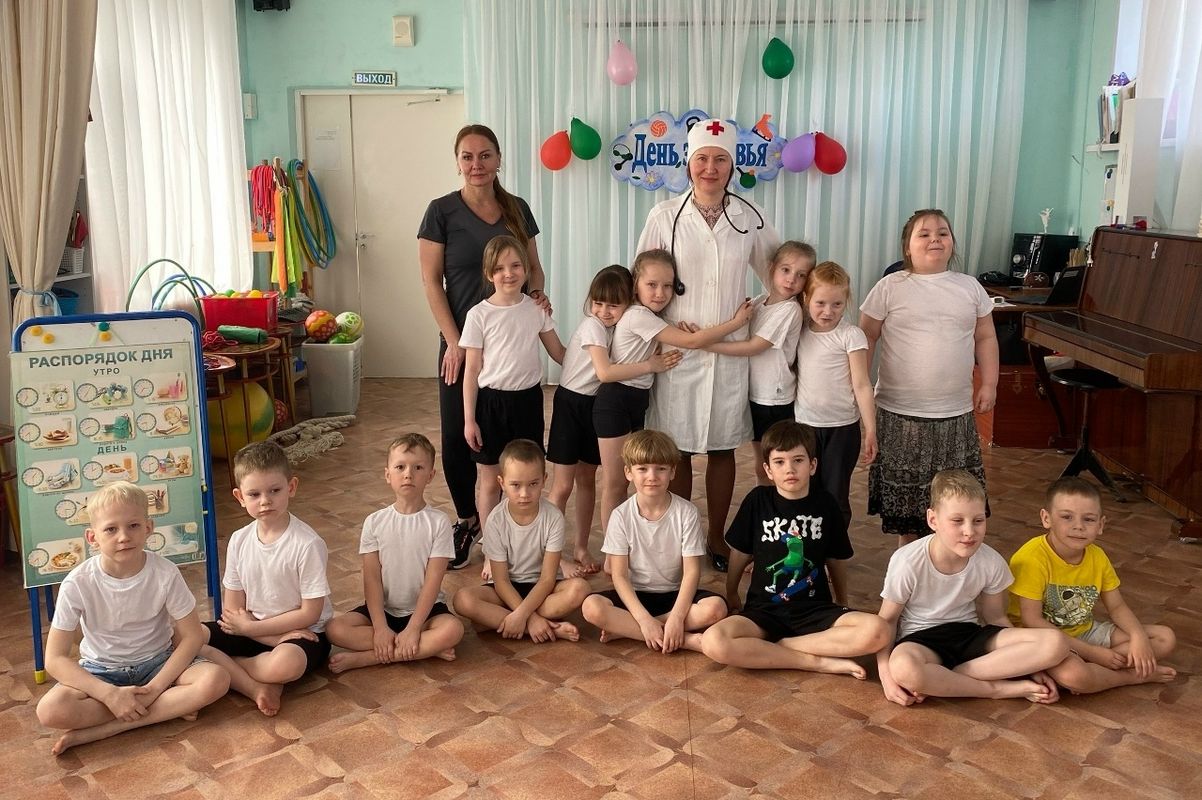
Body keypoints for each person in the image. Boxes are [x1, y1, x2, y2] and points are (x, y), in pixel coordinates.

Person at [636, 118, 781, 571]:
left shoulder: (750, 217)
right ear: (688, 163)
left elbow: (778, 276)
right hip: (676, 349)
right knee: (676, 448)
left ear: (732, 165)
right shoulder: (663, 215)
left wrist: (772, 321)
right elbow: (642, 281)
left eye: (720, 159)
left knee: (721, 447)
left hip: (729, 350)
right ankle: (681, 539)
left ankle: (716, 537)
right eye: (702, 158)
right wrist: (653, 331)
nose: (710, 168)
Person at [418, 123, 550, 570]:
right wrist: (453, 342)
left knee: (514, 441)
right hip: (462, 342)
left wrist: (537, 297)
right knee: (460, 433)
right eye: (468, 156)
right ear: (458, 161)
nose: (477, 164)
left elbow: (534, 267)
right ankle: (467, 521)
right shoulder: (440, 211)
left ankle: (515, 525)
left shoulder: (517, 208)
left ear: (498, 158)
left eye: (485, 155)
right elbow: (430, 282)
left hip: (511, 339)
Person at [35, 482, 229, 755]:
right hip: (101, 671)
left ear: (148, 528)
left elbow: (193, 635)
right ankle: (163, 708)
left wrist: (155, 688)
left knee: (216, 679)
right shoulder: (77, 583)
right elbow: (54, 659)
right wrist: (108, 694)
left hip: (158, 663)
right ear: (92, 537)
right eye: (111, 529)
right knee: (50, 710)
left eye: (133, 526)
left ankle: (111, 728)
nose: (124, 537)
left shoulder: (165, 573)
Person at [701, 422, 890, 676]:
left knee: (879, 631)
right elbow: (740, 553)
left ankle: (783, 646)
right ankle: (814, 661)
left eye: (798, 460)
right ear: (768, 470)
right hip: (764, 611)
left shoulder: (826, 504)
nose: (789, 469)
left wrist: (842, 602)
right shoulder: (757, 500)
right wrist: (732, 591)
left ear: (812, 465)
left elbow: (836, 559)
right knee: (713, 641)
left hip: (815, 609)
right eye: (779, 462)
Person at [859, 209, 999, 545]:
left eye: (943, 233)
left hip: (954, 415)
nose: (935, 239)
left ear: (952, 242)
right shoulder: (890, 287)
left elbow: (985, 337)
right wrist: (859, 388)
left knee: (956, 504)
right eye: (924, 234)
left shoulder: (970, 287)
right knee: (909, 508)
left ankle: (948, 563)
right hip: (900, 414)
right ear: (907, 247)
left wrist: (990, 382)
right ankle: (909, 566)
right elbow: (866, 337)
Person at [593, 249, 752, 536]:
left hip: (632, 400)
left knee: (623, 480)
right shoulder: (639, 315)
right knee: (616, 482)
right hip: (615, 399)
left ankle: (626, 542)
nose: (660, 293)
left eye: (668, 285)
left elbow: (676, 335)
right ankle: (612, 549)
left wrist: (678, 328)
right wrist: (737, 323)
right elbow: (691, 342)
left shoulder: (648, 316)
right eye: (652, 284)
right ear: (635, 284)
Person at [876, 470, 1069, 705]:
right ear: (933, 520)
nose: (969, 532)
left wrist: (1030, 665)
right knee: (903, 668)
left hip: (969, 634)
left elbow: (996, 618)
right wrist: (886, 677)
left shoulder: (991, 561)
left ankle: (949, 679)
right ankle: (995, 689)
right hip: (921, 641)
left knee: (1056, 643)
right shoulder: (907, 561)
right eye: (957, 521)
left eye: (978, 520)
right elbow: (887, 622)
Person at [547, 265, 681, 575]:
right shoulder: (594, 326)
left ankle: (581, 547)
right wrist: (650, 365)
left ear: (628, 303)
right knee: (562, 486)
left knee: (586, 481)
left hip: (594, 403)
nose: (604, 311)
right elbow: (605, 372)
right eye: (598, 303)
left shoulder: (619, 327)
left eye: (613, 305)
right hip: (571, 404)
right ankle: (550, 554)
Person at [1008, 476, 1177, 693]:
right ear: (1046, 518)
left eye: (1088, 519)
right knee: (1074, 676)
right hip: (1044, 640)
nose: (1078, 526)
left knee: (1164, 638)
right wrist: (1092, 653)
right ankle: (1130, 676)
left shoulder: (1098, 557)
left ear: (1100, 525)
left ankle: (1097, 671)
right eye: (1067, 517)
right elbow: (1032, 620)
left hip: (1084, 630)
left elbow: (1117, 606)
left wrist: (1138, 637)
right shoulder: (1032, 558)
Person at [201, 441, 333, 717]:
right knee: (186, 636)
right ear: (240, 496)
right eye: (254, 494)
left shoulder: (307, 543)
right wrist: (265, 635)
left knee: (285, 665)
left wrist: (256, 631)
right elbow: (233, 609)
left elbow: (310, 613)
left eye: (275, 490)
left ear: (291, 487)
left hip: (302, 634)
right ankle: (254, 685)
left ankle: (227, 667)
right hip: (256, 630)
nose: (265, 501)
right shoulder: (239, 540)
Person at [461, 234, 566, 556]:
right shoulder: (478, 315)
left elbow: (560, 353)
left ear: (526, 269)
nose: (508, 274)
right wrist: (469, 420)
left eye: (516, 265)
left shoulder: (536, 309)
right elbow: (472, 370)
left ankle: (527, 542)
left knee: (527, 476)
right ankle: (493, 549)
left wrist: (601, 362)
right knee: (490, 480)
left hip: (528, 402)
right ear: (488, 273)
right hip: (491, 404)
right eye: (500, 268)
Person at [325, 434, 465, 672]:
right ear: (388, 474)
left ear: (430, 475)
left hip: (426, 613)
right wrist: (380, 627)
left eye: (418, 467)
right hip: (384, 609)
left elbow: (433, 581)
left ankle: (369, 658)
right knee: (334, 629)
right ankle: (422, 649)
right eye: (400, 467)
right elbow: (372, 578)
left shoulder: (439, 522)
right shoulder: (374, 522)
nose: (408, 474)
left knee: (453, 630)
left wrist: (414, 628)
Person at [581, 430, 728, 652]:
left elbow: (691, 573)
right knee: (591, 607)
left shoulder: (686, 512)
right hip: (635, 596)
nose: (652, 476)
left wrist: (677, 618)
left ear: (672, 472)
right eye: (642, 469)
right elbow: (619, 576)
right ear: (628, 472)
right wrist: (643, 619)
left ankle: (629, 630)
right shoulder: (620, 516)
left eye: (661, 468)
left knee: (716, 608)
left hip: (675, 596)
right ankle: (684, 640)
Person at [455, 439, 592, 642]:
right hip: (505, 590)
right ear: (502, 483)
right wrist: (531, 618)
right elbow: (501, 581)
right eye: (516, 485)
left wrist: (521, 614)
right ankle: (544, 628)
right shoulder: (495, 520)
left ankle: (502, 621)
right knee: (463, 600)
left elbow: (547, 579)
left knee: (580, 588)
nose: (524, 494)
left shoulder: (553, 517)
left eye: (533, 484)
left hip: (543, 589)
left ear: (544, 480)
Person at [703, 241, 812, 481]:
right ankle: (766, 498)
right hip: (755, 394)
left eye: (801, 275)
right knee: (762, 462)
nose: (791, 279)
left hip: (773, 397)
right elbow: (735, 329)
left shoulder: (789, 310)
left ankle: (780, 498)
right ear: (772, 268)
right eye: (786, 270)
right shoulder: (760, 302)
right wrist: (700, 333)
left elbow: (754, 347)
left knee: (777, 461)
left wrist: (705, 344)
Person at [794, 261, 878, 526]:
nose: (828, 311)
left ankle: (834, 546)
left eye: (837, 304)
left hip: (842, 428)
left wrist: (870, 429)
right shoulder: (799, 331)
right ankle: (807, 542)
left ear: (846, 301)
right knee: (805, 490)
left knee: (835, 493)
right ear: (806, 298)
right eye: (820, 303)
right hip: (805, 426)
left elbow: (862, 384)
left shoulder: (851, 335)